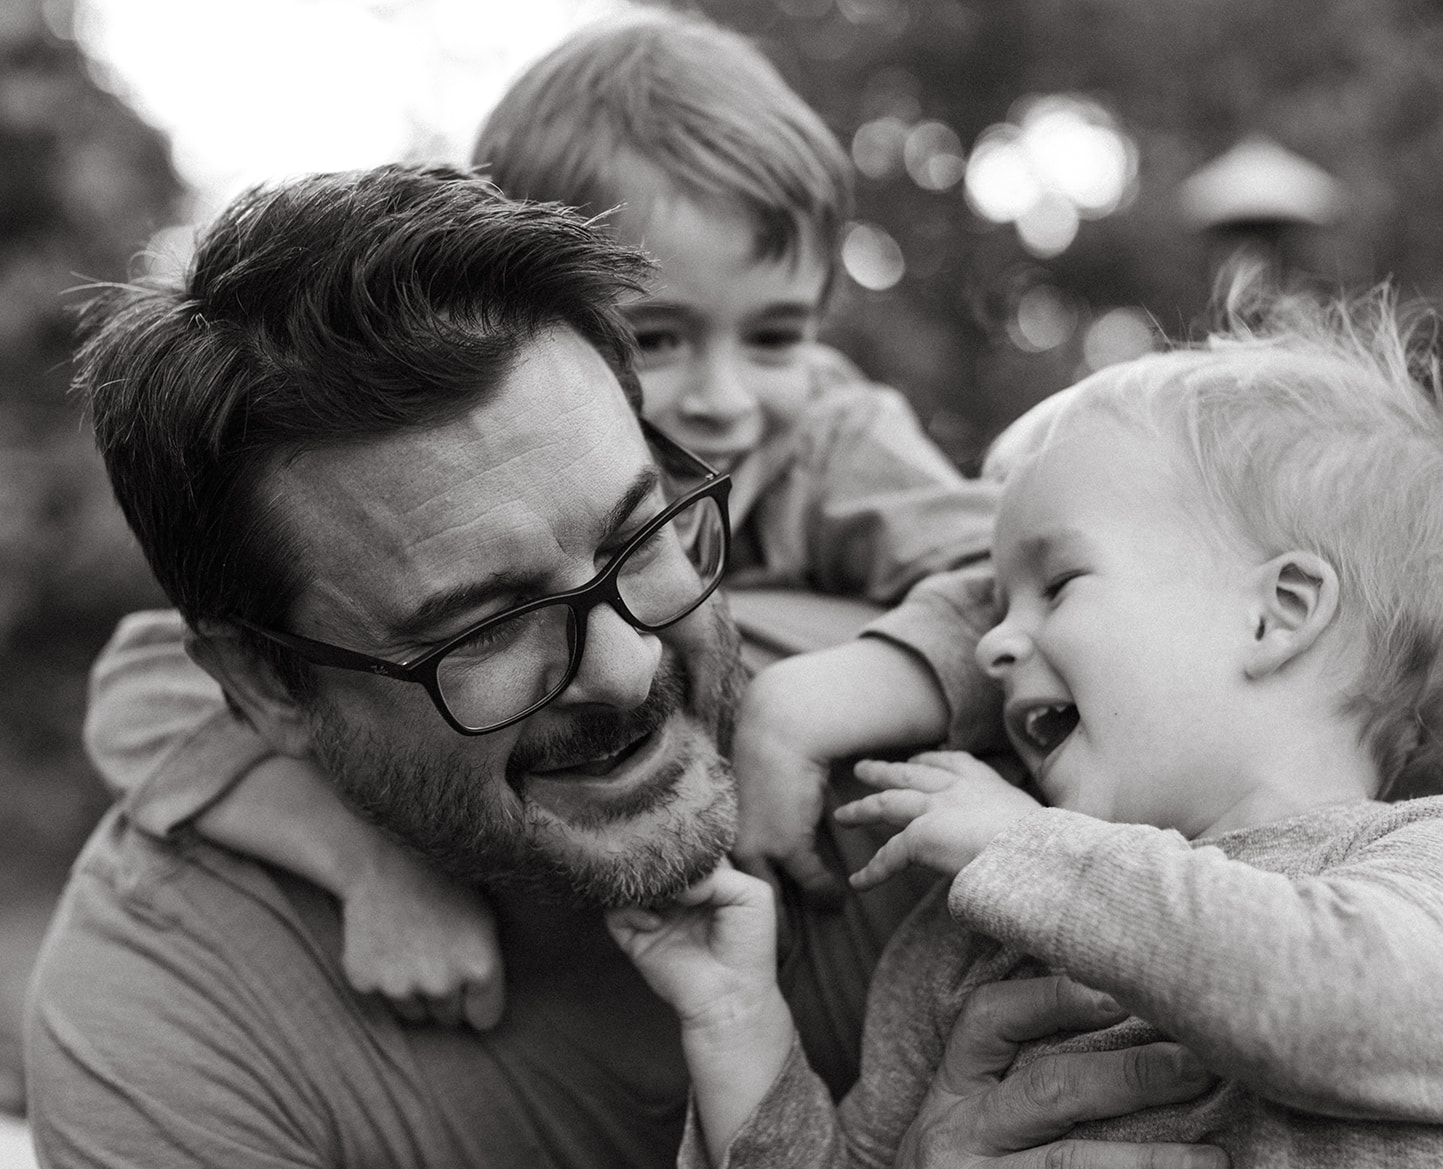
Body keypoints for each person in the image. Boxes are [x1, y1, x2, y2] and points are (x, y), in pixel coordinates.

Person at [26, 163, 1225, 1168]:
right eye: (483, 623)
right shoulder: (175, 1027)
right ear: (269, 686)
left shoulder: (958, 758)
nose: (624, 660)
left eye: (637, 534)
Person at [79, 5, 998, 1033]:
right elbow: (138, 695)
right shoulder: (461, 462)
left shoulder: (835, 434)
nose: (726, 397)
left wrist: (810, 702)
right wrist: (370, 862)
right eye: (658, 337)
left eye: (777, 333)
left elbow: (1007, 586)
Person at [607, 286, 1443, 1167]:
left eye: (1056, 584)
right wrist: (738, 1016)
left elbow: (1329, 1003)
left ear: (1278, 613)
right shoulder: (967, 937)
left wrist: (1030, 846)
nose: (991, 647)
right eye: (996, 602)